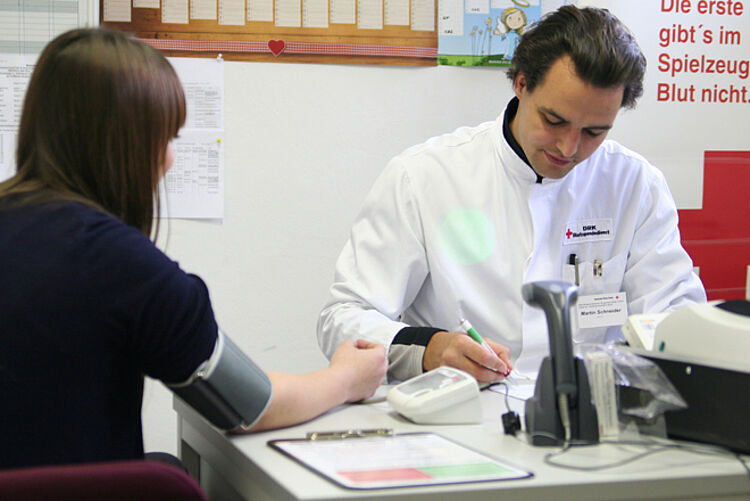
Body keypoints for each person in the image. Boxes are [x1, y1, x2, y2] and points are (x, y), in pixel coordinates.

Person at [0, 28, 387, 471]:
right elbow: (248, 406)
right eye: (167, 138)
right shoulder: (127, 268)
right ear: (128, 144)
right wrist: (344, 379)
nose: (170, 160)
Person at [317, 6, 705, 386]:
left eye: (594, 132)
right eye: (554, 120)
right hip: (459, 410)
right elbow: (343, 318)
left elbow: (676, 312)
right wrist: (429, 349)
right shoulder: (423, 177)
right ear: (521, 83)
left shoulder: (634, 184)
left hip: (591, 413)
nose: (569, 148)